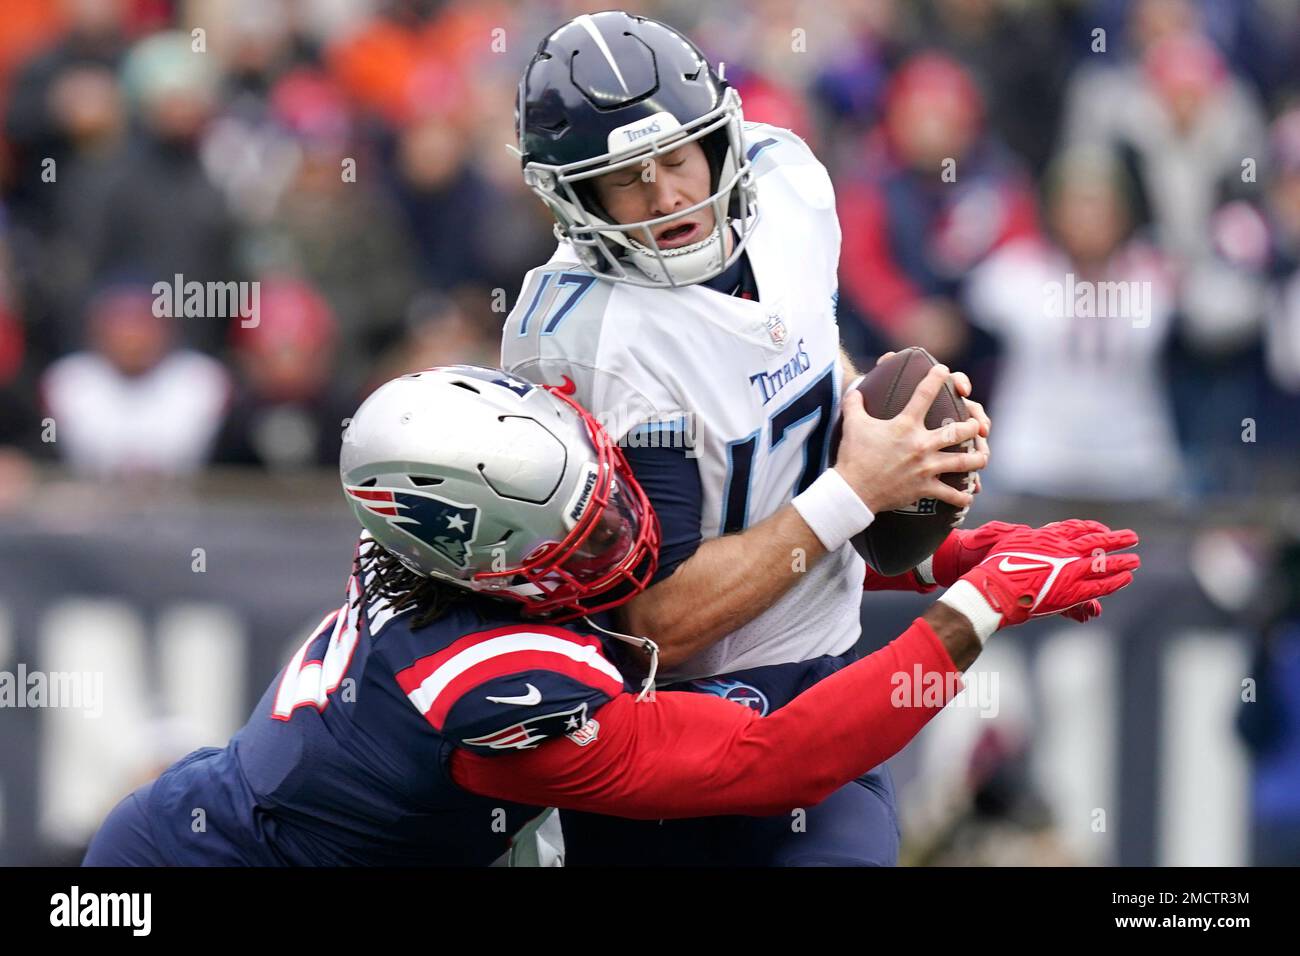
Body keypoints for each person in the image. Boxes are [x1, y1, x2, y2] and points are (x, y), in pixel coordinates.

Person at [81, 366, 1139, 865]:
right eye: (577, 537)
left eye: (596, 491)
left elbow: (624, 607)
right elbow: (772, 759)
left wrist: (940, 557)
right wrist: (976, 606)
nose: (621, 534)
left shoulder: (446, 552)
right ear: (489, 567)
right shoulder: (489, 692)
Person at [504, 10, 1000, 865]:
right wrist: (857, 490)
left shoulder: (789, 187)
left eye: (675, 158)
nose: (664, 195)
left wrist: (888, 427)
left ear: (719, 138)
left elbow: (799, 341)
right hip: (659, 737)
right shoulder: (596, 334)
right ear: (574, 197)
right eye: (624, 178)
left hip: (818, 683)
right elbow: (661, 620)